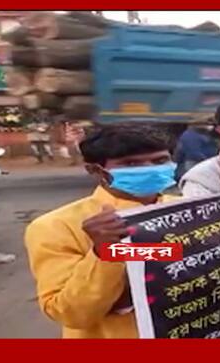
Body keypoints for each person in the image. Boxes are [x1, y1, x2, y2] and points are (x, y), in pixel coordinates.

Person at [24, 124, 178, 338]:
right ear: (95, 170)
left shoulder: (189, 210)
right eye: (131, 164)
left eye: (160, 161)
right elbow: (73, 314)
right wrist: (105, 253)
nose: (149, 168)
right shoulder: (56, 226)